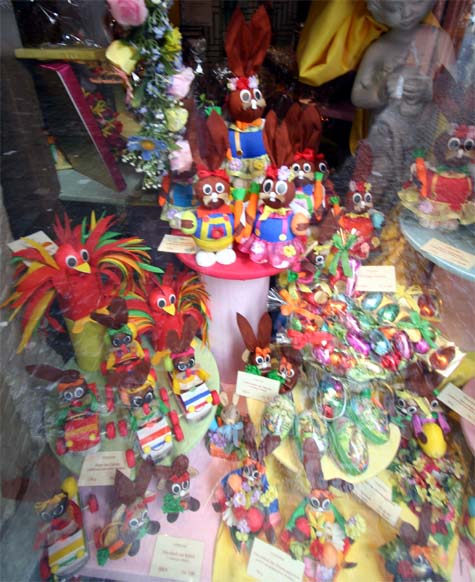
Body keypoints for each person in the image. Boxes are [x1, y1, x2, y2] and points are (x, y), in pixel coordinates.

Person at [351, 0, 455, 201]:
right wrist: (381, 91)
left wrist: (430, 90)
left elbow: (455, 91)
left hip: (425, 135)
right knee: (377, 182)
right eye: (393, 8)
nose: (406, 13)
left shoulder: (438, 41)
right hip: (385, 137)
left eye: (415, 2)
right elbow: (358, 96)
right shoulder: (380, 48)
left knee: (419, 181)